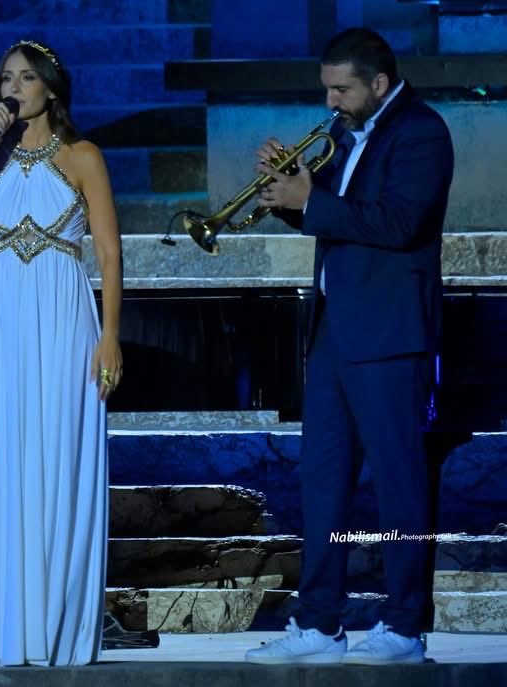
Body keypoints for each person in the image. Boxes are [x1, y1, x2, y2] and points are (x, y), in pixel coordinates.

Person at [244, 28, 454, 665]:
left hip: (390, 332)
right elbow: (334, 215)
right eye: (326, 89)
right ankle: (320, 622)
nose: (331, 101)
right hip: (336, 331)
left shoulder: (421, 132)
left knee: (399, 483)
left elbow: (396, 223)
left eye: (342, 89)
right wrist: (289, 196)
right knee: (323, 480)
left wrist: (314, 200)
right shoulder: (344, 136)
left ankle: (405, 626)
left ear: (379, 85)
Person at [0, 39, 123, 666]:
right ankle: (0, 625)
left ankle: (51, 628)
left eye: (26, 78)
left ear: (51, 89)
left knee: (53, 457)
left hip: (63, 323)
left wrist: (110, 334)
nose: (13, 88)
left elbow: (111, 254)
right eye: (5, 78)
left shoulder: (82, 156)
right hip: (0, 324)